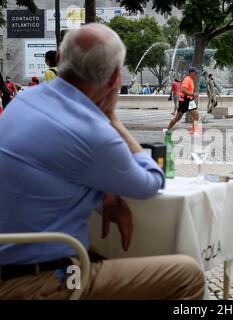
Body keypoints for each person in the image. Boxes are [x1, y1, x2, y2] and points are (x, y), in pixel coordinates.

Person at [0, 23, 204, 300]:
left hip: (13, 264)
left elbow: (60, 165)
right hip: (38, 281)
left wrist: (106, 191)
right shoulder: (94, 132)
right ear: (115, 78)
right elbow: (152, 180)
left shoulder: (25, 100)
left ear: (60, 60)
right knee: (186, 274)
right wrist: (114, 121)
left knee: (104, 254)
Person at [166, 67, 200, 133]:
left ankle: (194, 131)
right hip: (184, 101)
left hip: (190, 101)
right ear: (191, 73)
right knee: (178, 117)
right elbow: (183, 90)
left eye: (197, 73)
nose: (196, 74)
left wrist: (192, 95)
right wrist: (192, 94)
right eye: (195, 73)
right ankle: (167, 130)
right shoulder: (187, 79)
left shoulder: (191, 79)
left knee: (196, 115)